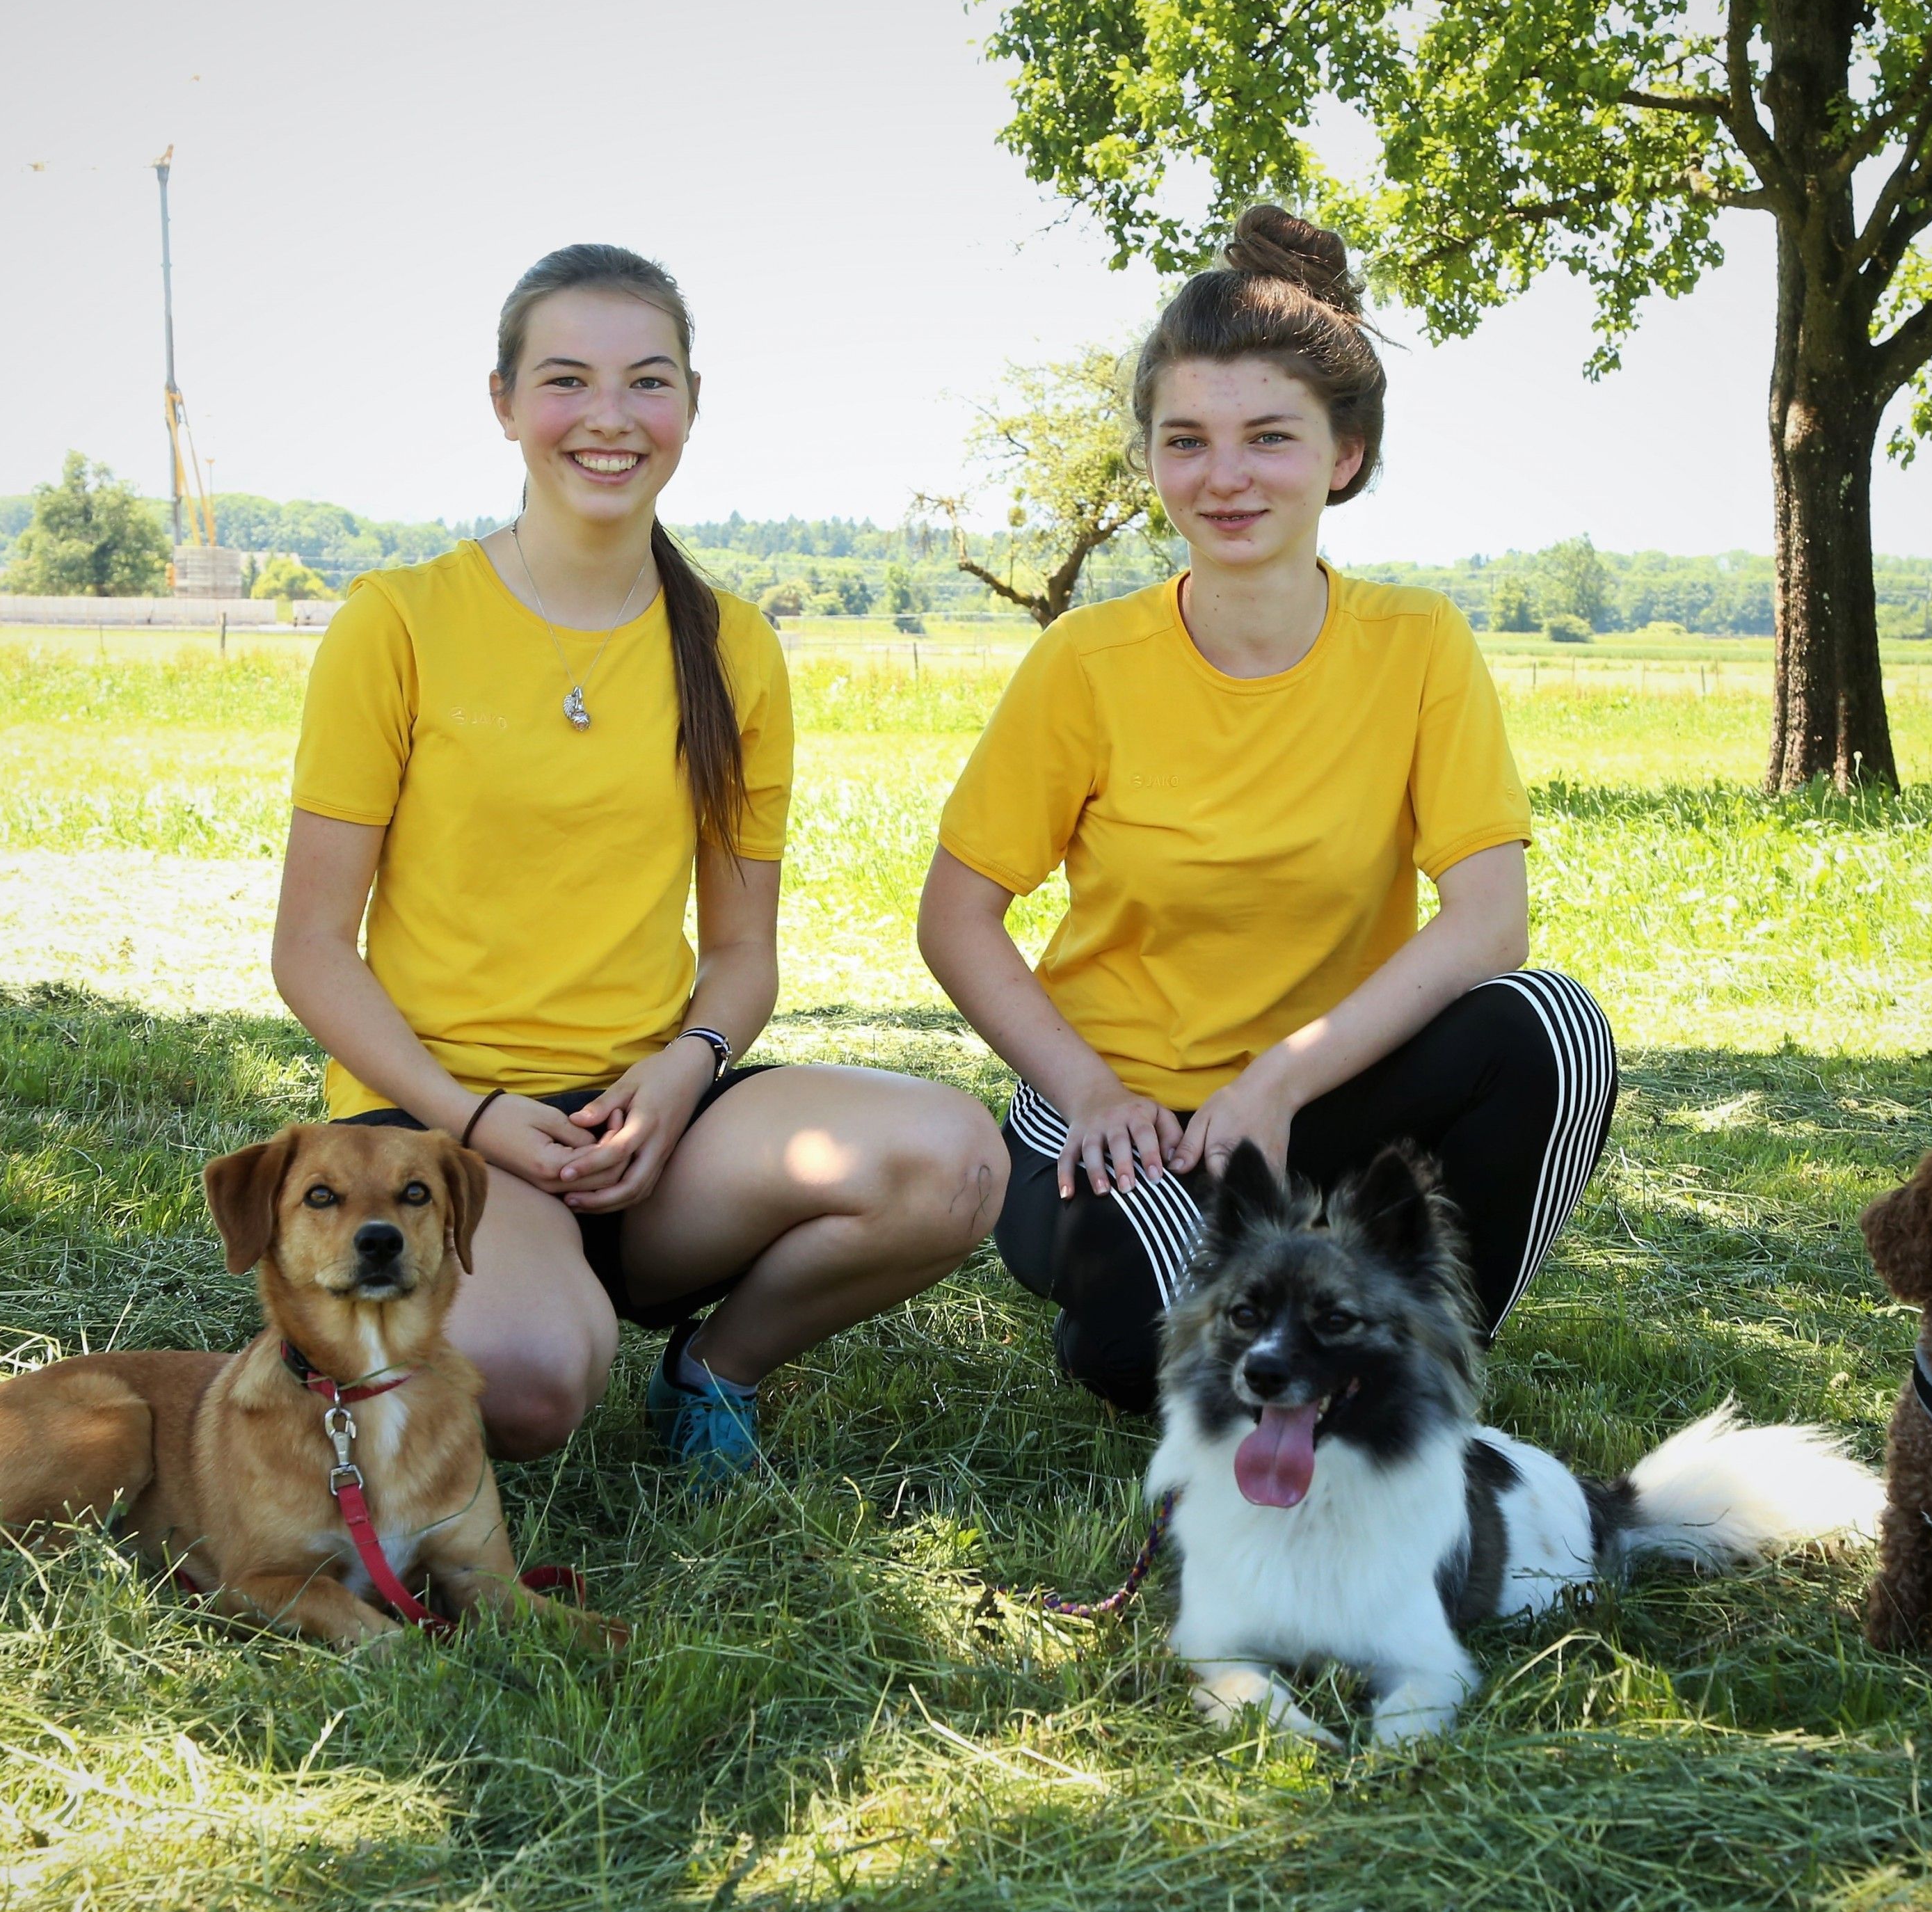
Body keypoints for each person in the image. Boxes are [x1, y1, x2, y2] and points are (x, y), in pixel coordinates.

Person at [273, 244, 1003, 1478]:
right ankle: (527, 1305)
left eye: (646, 382)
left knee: (955, 1161)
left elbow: (739, 955)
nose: (609, 418)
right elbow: (310, 954)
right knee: (531, 1385)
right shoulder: (396, 622)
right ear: (503, 403)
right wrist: (477, 1118)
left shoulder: (733, 646)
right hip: (440, 1136)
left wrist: (684, 1069)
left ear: (692, 405)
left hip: (650, 1132)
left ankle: (714, 1370)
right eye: (566, 380)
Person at [918, 206, 1616, 1416]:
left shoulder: (1419, 644)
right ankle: (1199, 1302)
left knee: (1550, 1023)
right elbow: (958, 917)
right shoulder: (1086, 663)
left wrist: (1280, 1086)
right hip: (1122, 1116)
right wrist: (1086, 1089)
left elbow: (1488, 922)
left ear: (1344, 454)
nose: (1223, 476)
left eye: (1268, 438)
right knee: (1152, 1359)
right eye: (1184, 440)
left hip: (1320, 1098)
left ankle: (1417, 1361)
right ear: (1151, 457)